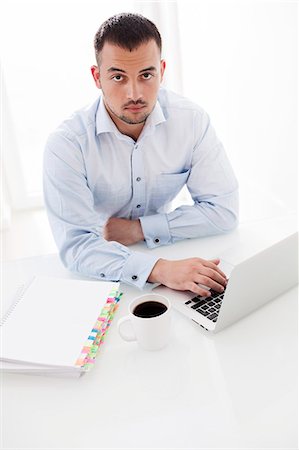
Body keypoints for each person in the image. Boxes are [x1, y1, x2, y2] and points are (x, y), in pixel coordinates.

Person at [43, 12, 238, 298]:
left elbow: (224, 212)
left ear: (162, 70)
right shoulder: (66, 145)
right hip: (99, 272)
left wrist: (138, 230)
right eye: (118, 77)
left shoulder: (191, 121)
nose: (134, 93)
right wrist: (160, 269)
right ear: (97, 77)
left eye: (146, 75)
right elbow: (76, 247)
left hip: (165, 249)